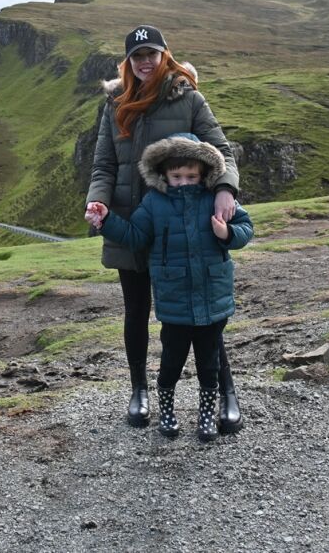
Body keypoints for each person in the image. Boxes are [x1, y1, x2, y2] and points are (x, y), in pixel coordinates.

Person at [84, 24, 243, 432]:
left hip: (185, 225)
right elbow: (104, 164)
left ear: (164, 55)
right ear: (128, 62)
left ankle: (227, 393)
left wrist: (225, 189)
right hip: (131, 221)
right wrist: (97, 202)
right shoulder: (115, 103)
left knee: (204, 313)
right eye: (137, 56)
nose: (145, 62)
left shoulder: (188, 97)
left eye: (151, 54)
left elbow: (222, 152)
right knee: (136, 310)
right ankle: (140, 392)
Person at [85, 133, 253, 441]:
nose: (184, 182)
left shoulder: (213, 200)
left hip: (212, 300)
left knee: (209, 363)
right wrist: (107, 221)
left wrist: (226, 233)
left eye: (191, 176)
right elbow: (136, 236)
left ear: (204, 174)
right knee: (171, 361)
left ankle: (206, 416)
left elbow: (245, 227)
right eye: (177, 177)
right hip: (174, 301)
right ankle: (167, 412)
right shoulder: (154, 203)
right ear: (164, 175)